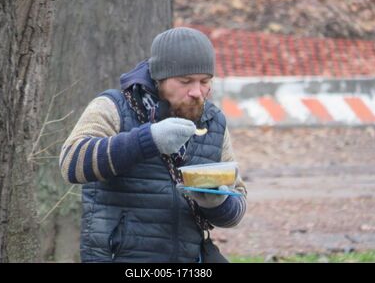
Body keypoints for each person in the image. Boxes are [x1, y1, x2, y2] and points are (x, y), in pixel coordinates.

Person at [59, 27, 247, 263]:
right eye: (185, 81)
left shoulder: (214, 121)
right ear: (159, 79)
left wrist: (217, 202)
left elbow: (237, 206)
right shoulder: (112, 106)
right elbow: (70, 163)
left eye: (205, 81)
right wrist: (148, 139)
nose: (197, 92)